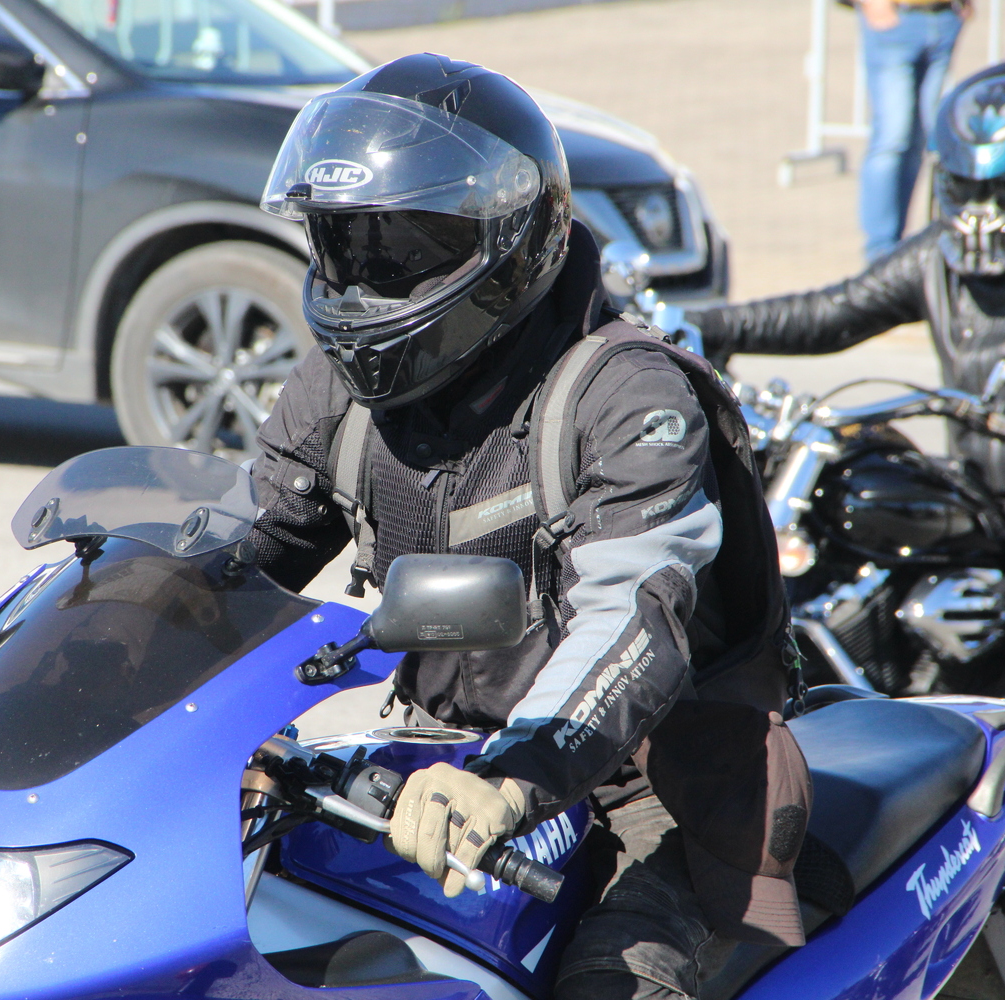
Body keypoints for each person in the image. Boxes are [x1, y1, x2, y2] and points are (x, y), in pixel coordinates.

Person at [252, 54, 810, 1000]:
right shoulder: (338, 395)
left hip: (657, 791)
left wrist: (514, 775)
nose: (365, 279)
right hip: (437, 766)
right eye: (345, 244)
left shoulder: (627, 395)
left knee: (608, 985)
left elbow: (635, 613)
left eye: (403, 247)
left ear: (507, 244)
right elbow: (233, 561)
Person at [691, 61, 1005, 790]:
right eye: (970, 187)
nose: (985, 209)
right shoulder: (939, 257)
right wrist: (702, 326)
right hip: (975, 486)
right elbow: (833, 311)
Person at [853, 0, 971, 261]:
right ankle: (880, 253)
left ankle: (896, 248)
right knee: (892, 139)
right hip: (897, 18)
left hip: (943, 17)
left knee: (917, 141)